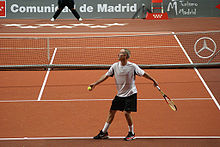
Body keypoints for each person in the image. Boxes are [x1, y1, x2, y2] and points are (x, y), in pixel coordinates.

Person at [89, 49, 158, 141]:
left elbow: (143, 74)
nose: (118, 54)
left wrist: (153, 80)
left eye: (121, 53)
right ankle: (104, 132)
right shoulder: (115, 66)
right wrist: (95, 83)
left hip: (131, 93)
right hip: (120, 94)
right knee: (112, 112)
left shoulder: (132, 66)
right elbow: (106, 76)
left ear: (125, 56)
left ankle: (132, 133)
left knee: (126, 113)